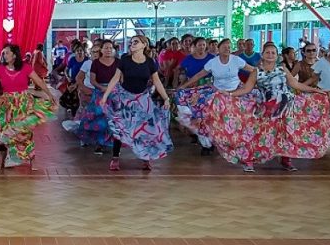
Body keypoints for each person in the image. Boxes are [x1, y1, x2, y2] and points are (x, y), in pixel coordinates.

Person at [212, 43, 330, 172]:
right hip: (266, 107)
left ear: (277, 56)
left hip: (286, 106)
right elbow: (246, 89)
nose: (270, 55)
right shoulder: (256, 72)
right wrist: (229, 94)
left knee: (285, 134)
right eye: (267, 52)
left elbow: (295, 84)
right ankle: (249, 160)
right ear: (262, 55)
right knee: (259, 134)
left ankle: (286, 160)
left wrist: (314, 90)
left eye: (273, 53)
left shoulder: (282, 69)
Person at [99, 35, 173, 170]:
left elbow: (157, 81)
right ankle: (115, 157)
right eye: (132, 42)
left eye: (136, 42)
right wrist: (105, 96)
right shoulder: (125, 60)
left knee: (146, 129)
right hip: (125, 99)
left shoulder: (150, 62)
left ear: (144, 45)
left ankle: (146, 157)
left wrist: (165, 97)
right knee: (121, 127)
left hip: (143, 99)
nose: (132, 44)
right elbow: (115, 79)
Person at [176, 38, 257, 158]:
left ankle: (237, 143)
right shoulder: (213, 62)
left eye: (229, 47)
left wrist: (252, 84)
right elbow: (199, 75)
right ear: (218, 49)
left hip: (235, 91)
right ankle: (207, 143)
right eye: (224, 47)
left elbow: (254, 70)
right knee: (206, 114)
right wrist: (183, 86)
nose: (227, 49)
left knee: (240, 115)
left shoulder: (236, 60)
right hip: (217, 92)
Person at [74, 40, 119, 156]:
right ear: (101, 50)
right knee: (99, 118)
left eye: (110, 48)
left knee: (113, 118)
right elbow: (92, 80)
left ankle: (111, 142)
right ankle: (98, 143)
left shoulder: (118, 62)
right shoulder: (95, 63)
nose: (108, 50)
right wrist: (101, 88)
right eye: (106, 48)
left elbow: (121, 78)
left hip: (114, 93)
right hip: (99, 92)